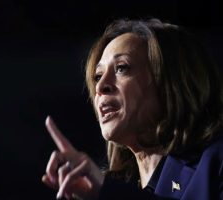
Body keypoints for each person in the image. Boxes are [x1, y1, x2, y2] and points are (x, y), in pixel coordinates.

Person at [42, 18, 223, 200]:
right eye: (98, 76)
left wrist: (108, 192)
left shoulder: (216, 162)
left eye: (122, 68)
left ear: (171, 84)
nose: (101, 86)